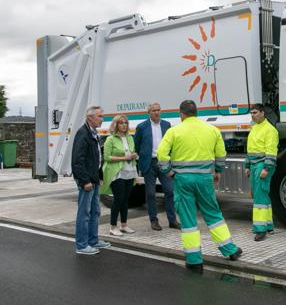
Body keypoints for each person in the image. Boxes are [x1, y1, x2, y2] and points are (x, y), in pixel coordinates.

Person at [157, 100, 242, 273]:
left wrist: (168, 171)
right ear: (196, 112)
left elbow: (161, 154)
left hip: (183, 179)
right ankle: (230, 250)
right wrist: (218, 172)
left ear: (182, 114)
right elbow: (221, 154)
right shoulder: (211, 129)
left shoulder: (174, 131)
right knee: (213, 214)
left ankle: (194, 260)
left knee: (188, 219)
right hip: (205, 178)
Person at [72, 105, 111, 255]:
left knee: (95, 211)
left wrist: (98, 177)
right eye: (100, 116)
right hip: (87, 181)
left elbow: (96, 158)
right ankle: (82, 245)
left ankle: (93, 240)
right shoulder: (83, 134)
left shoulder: (93, 133)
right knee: (84, 213)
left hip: (93, 179)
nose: (102, 119)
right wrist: (85, 181)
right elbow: (77, 160)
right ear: (90, 117)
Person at [134, 103, 180, 231]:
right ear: (149, 112)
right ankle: (153, 220)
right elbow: (136, 145)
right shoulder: (142, 126)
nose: (156, 112)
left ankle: (172, 220)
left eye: (158, 110)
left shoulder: (166, 125)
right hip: (149, 163)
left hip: (163, 163)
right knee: (150, 193)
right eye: (154, 110)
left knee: (169, 191)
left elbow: (171, 143)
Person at [244, 104, 279, 241]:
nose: (252, 115)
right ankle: (268, 225)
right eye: (251, 113)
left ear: (262, 113)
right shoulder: (254, 128)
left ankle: (260, 229)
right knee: (260, 194)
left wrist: (266, 168)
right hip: (254, 164)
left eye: (255, 112)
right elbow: (251, 148)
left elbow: (271, 151)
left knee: (259, 196)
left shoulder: (270, 130)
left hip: (262, 164)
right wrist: (247, 165)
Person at [101, 115, 139, 236]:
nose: (124, 125)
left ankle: (124, 225)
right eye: (121, 123)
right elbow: (107, 157)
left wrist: (134, 157)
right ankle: (113, 227)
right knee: (118, 199)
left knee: (125, 200)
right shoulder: (110, 139)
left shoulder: (130, 138)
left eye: (126, 123)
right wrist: (125, 157)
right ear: (116, 125)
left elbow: (132, 155)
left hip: (129, 171)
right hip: (116, 172)